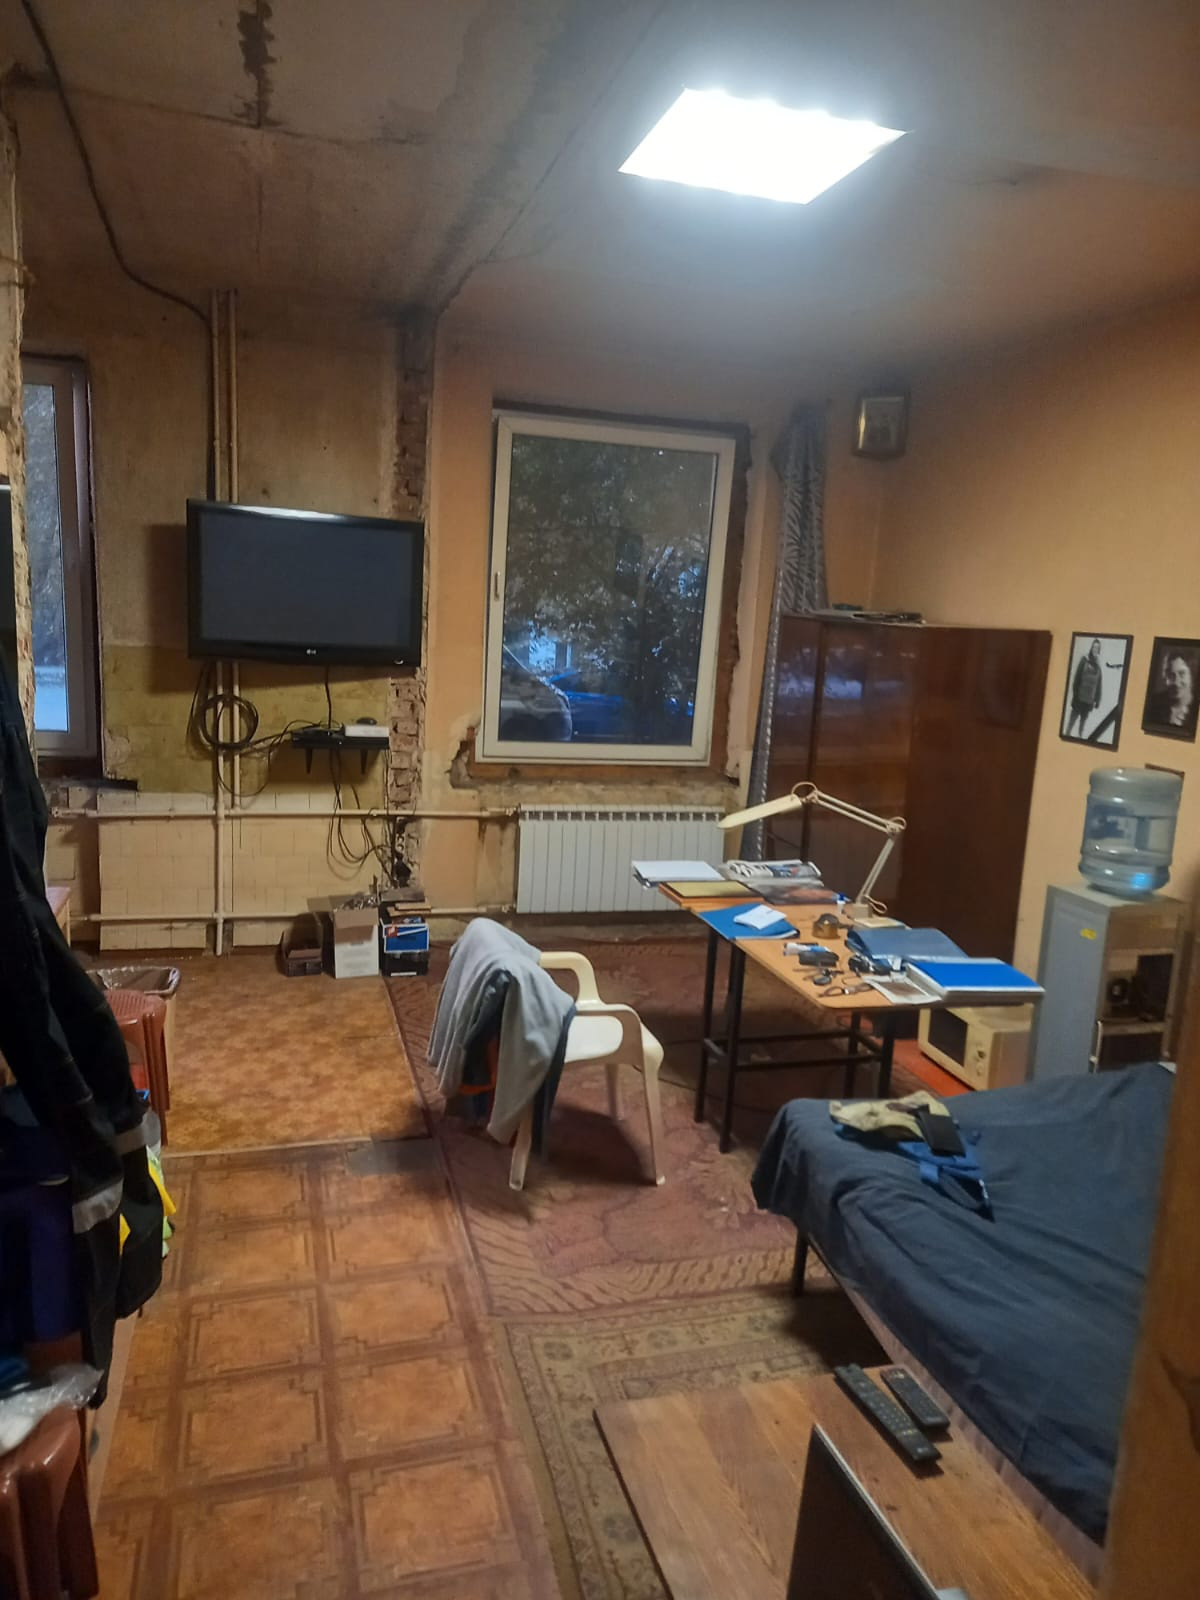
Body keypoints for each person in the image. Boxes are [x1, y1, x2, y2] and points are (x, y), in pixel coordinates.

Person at [1146, 648, 1198, 735]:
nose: (1176, 682)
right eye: (1171, 675)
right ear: (1165, 678)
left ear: (1192, 674)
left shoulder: (1195, 708)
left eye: (1182, 674)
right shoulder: (1154, 704)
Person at [1067, 638, 1104, 737]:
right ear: (1091, 648)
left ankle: (1079, 738)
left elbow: (1099, 685)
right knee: (1070, 725)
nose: (1095, 650)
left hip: (1088, 702)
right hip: (1079, 699)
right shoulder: (1084, 660)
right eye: (1094, 647)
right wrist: (1075, 695)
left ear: (1099, 650)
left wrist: (1097, 700)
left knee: (1081, 729)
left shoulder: (1098, 666)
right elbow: (1076, 679)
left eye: (1097, 648)